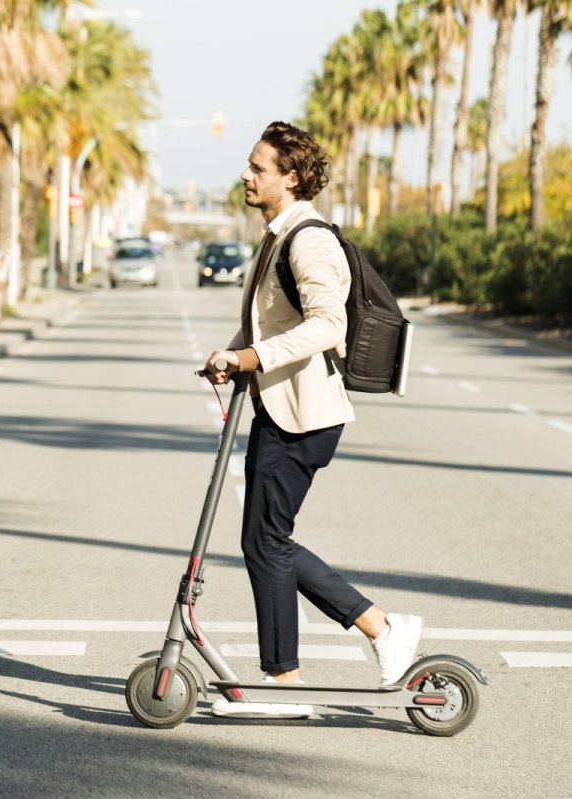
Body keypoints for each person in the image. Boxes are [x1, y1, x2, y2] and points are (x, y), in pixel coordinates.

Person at [205, 121, 421, 719]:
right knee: (264, 539)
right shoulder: (279, 234)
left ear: (291, 177)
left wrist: (249, 358)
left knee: (265, 540)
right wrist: (232, 354)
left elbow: (329, 325)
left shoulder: (309, 239)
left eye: (258, 167)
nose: (246, 175)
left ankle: (292, 678)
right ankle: (380, 631)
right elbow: (271, 322)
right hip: (283, 406)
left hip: (303, 415)